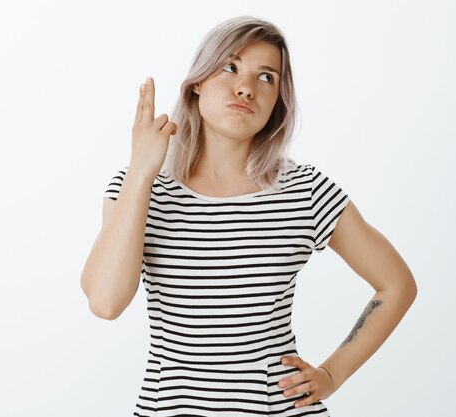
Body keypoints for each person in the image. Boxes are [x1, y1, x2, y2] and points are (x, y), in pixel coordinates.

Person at [80, 15, 417, 417]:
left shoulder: (305, 191)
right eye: (230, 66)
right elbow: (105, 301)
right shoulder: (138, 186)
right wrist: (140, 172)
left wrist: (332, 373)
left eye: (267, 77)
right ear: (198, 82)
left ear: (279, 100)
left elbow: (396, 284)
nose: (245, 87)